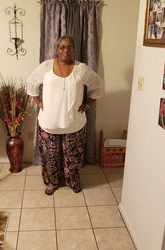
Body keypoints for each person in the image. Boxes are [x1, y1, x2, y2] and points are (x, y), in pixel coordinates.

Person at [27, 35, 104, 195]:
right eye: (62, 47)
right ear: (57, 49)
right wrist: (38, 102)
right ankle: (52, 182)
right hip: (49, 124)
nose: (65, 50)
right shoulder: (46, 67)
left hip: (74, 124)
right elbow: (31, 83)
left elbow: (98, 86)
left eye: (69, 47)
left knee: (73, 158)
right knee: (50, 158)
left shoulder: (81, 69)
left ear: (73, 49)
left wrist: (88, 103)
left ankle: (72, 180)